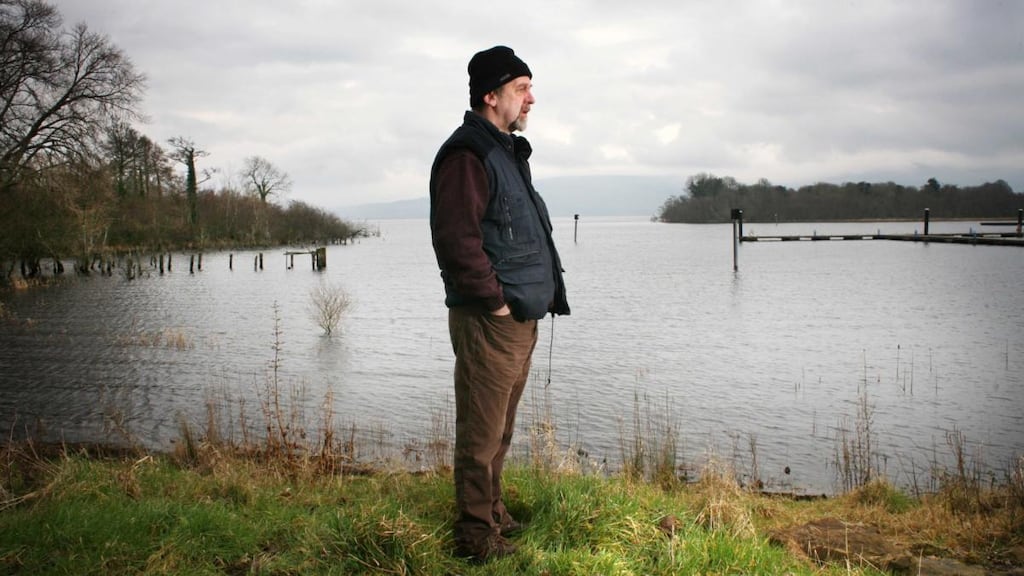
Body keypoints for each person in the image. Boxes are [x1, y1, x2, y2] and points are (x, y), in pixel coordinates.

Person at [428, 45, 570, 562]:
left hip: (517, 320)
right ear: (491, 96)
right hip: (491, 321)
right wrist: (496, 304)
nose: (531, 99)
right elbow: (457, 239)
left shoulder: (505, 151)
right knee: (480, 432)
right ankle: (474, 537)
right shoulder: (468, 154)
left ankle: (492, 513)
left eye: (529, 89)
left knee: (501, 430)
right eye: (520, 89)